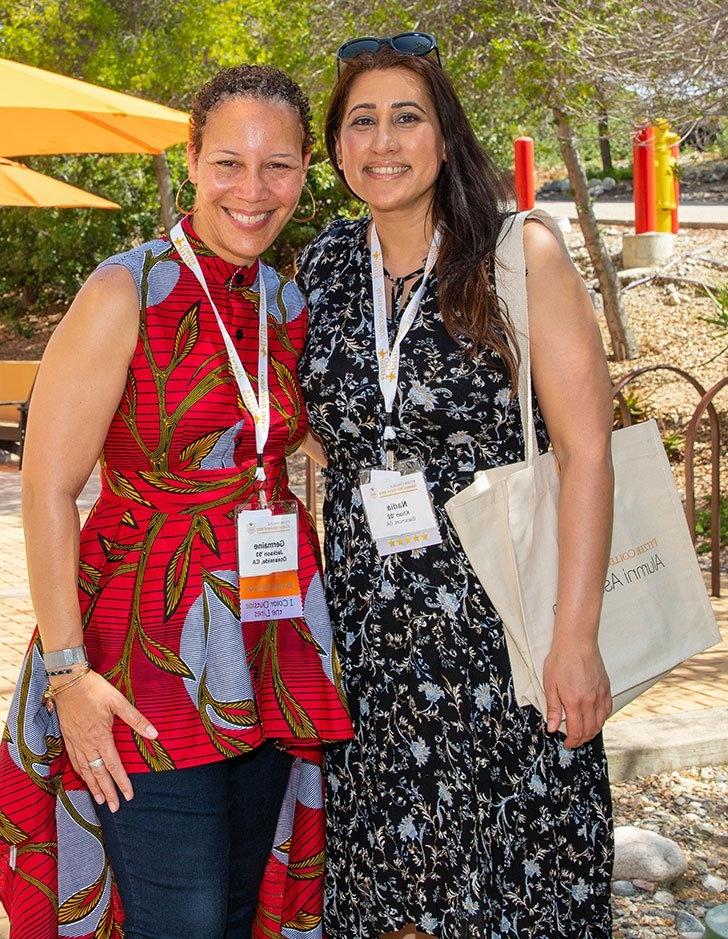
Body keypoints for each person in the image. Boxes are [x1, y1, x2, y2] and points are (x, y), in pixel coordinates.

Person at [0, 65, 352, 939]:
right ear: (191, 160)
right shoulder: (124, 290)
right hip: (140, 659)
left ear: (307, 172)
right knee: (179, 920)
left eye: (278, 166)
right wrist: (68, 675)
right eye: (229, 161)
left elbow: (295, 435)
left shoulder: (287, 299)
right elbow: (46, 488)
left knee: (237, 911)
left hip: (269, 647)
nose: (253, 189)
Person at [296, 35, 614, 939]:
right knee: (392, 894)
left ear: (445, 139)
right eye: (363, 121)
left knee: (516, 894)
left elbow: (587, 451)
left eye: (408, 117)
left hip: (506, 630)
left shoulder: (519, 255)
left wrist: (576, 637)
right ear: (338, 146)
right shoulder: (322, 267)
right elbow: (319, 426)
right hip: (371, 639)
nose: (384, 140)